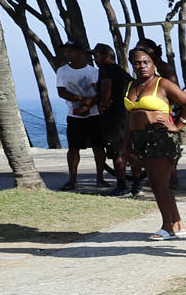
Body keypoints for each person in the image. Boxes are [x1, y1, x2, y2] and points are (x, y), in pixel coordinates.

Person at [121, 45, 186, 239]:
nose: (142, 66)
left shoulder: (162, 84)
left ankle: (167, 227)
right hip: (139, 140)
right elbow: (128, 119)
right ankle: (178, 223)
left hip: (161, 138)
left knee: (157, 182)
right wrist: (125, 146)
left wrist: (178, 125)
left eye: (146, 62)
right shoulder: (131, 86)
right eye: (137, 63)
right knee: (161, 183)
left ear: (153, 64)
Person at [53, 40, 101, 190]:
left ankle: (100, 178)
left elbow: (100, 92)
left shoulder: (93, 72)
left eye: (72, 51)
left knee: (98, 147)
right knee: (73, 148)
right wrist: (80, 100)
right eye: (66, 51)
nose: (68, 54)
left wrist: (88, 105)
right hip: (74, 116)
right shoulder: (62, 71)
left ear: (81, 53)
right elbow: (61, 92)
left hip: (94, 115)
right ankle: (72, 179)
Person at [93, 44, 130, 193]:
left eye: (97, 55)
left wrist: (103, 104)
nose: (94, 59)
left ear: (107, 56)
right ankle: (135, 183)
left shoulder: (106, 69)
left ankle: (122, 185)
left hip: (115, 118)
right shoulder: (121, 72)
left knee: (117, 152)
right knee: (128, 150)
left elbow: (106, 86)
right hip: (126, 115)